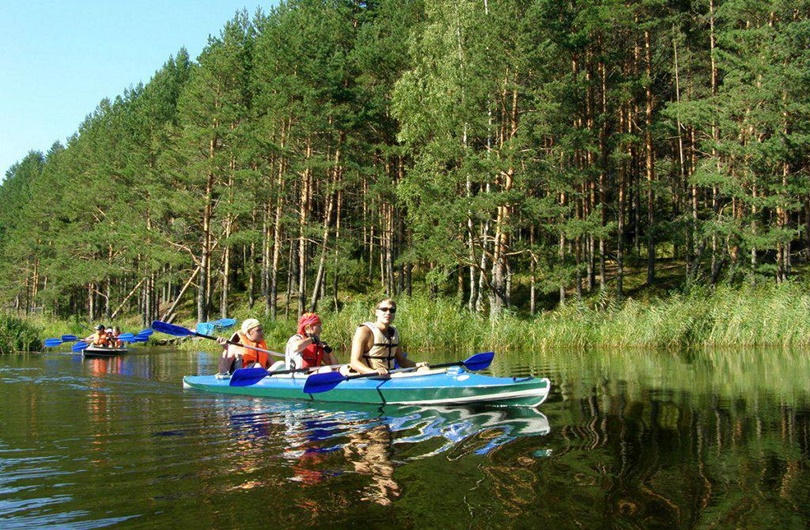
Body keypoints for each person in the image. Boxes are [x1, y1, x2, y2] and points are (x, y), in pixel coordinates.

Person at [349, 299, 428, 376]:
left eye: (392, 310)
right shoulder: (364, 331)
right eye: (384, 309)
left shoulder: (394, 332)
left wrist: (417, 364)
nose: (388, 313)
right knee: (400, 374)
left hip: (390, 374)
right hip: (370, 376)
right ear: (376, 312)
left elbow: (401, 361)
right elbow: (354, 363)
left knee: (424, 369)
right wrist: (372, 372)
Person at [217, 318, 283, 374]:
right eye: (258, 330)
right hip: (241, 378)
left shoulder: (261, 348)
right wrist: (226, 349)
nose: (262, 333)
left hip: (261, 377)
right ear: (248, 332)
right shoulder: (235, 347)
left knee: (280, 364)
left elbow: (274, 366)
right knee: (257, 366)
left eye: (262, 330)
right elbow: (223, 371)